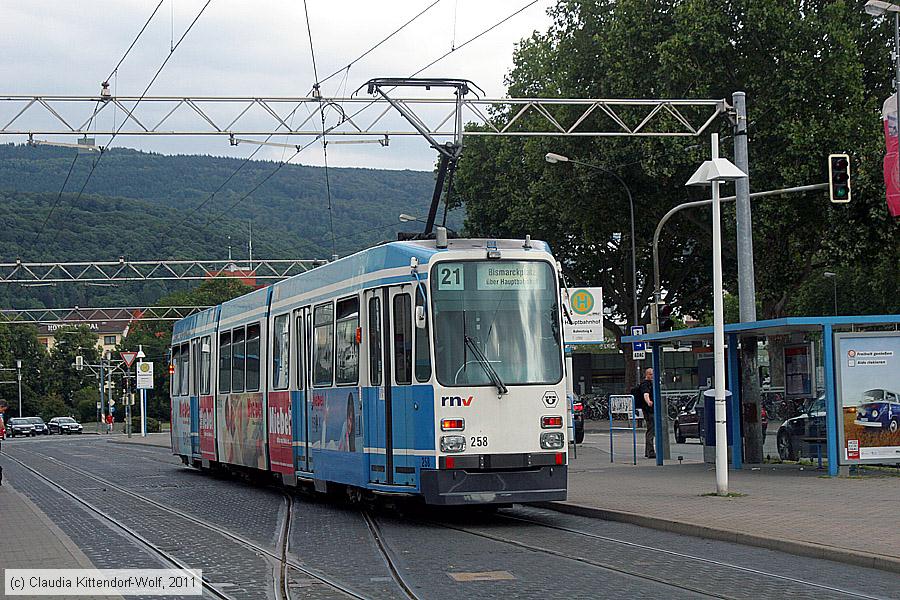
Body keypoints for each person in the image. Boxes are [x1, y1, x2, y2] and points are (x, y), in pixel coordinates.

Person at [640, 368, 656, 459]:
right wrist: (648, 401)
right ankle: (650, 452)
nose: (653, 376)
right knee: (651, 430)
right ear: (647, 375)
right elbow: (645, 394)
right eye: (651, 374)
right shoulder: (645, 384)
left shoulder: (651, 383)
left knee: (651, 430)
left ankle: (648, 451)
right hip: (649, 410)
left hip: (649, 409)